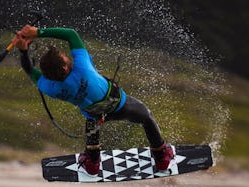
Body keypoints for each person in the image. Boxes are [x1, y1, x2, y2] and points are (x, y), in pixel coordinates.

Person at [12, 25, 174, 176]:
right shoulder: (82, 68)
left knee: (91, 121)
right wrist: (38, 32)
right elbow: (71, 34)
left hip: (96, 117)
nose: (68, 57)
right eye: (65, 58)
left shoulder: (51, 88)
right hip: (120, 106)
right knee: (146, 117)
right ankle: (162, 157)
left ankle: (92, 163)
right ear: (64, 68)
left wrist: (23, 50)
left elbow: (29, 70)